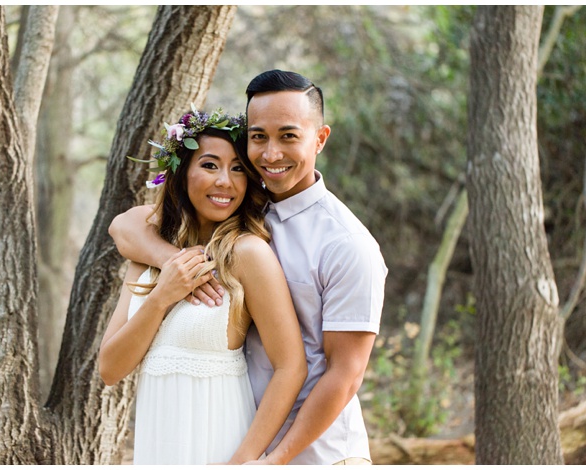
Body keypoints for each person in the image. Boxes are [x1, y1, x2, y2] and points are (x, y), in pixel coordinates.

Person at [109, 70, 387, 465]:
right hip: (235, 431)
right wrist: (175, 267)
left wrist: (268, 462)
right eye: (259, 137)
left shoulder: (347, 245)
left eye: (288, 136)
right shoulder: (243, 207)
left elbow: (345, 376)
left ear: (320, 139)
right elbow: (125, 226)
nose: (270, 154)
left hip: (314, 454)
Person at [99, 107, 307, 465]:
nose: (225, 181)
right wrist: (163, 295)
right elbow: (110, 369)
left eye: (238, 168)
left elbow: (291, 367)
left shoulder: (247, 253)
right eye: (210, 165)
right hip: (158, 445)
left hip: (218, 441)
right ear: (181, 174)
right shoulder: (149, 254)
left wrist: (242, 461)